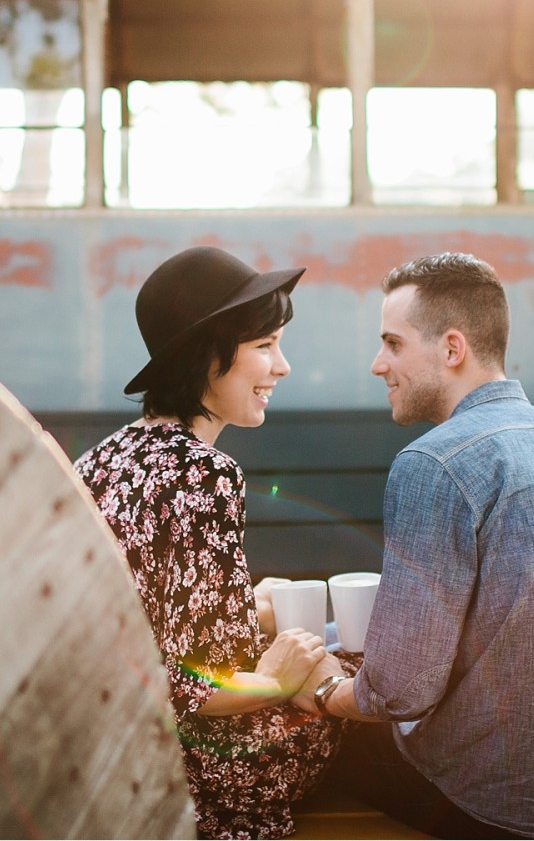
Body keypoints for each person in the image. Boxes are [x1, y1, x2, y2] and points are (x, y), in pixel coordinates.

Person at [294, 252, 534, 839]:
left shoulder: (434, 462)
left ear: (452, 349)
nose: (377, 364)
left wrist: (320, 690)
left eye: (393, 344)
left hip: (513, 810)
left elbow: (401, 690)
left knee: (312, 747)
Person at [74, 245, 350, 840]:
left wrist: (250, 605)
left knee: (320, 643)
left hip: (111, 748)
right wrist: (281, 679)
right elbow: (187, 688)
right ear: (207, 358)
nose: (282, 367)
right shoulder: (203, 472)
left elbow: (151, 626)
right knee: (362, 670)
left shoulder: (108, 455)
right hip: (194, 775)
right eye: (264, 346)